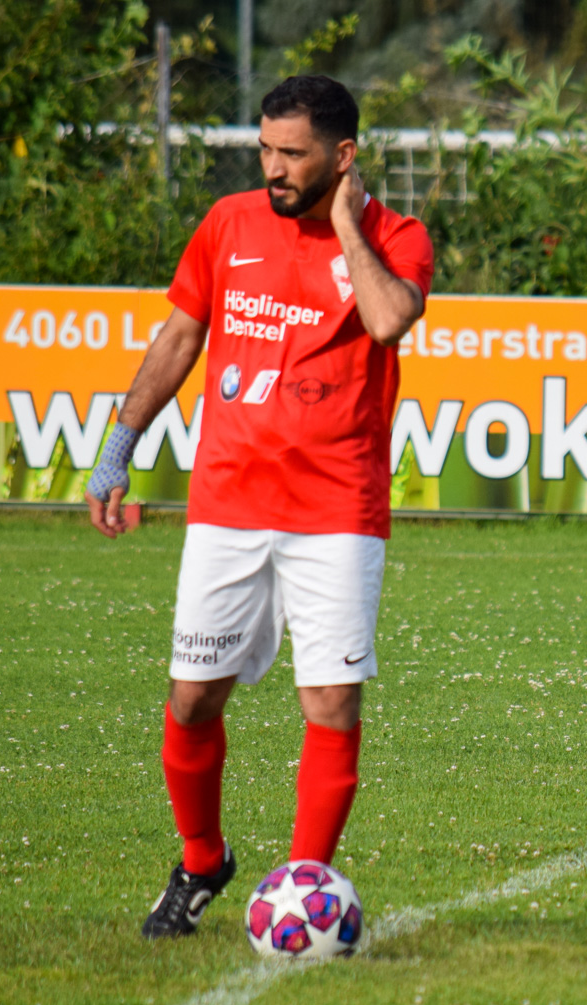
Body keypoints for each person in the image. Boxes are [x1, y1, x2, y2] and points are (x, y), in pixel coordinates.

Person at [83, 75, 434, 938]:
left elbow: (389, 319)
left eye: (292, 154)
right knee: (192, 699)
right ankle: (202, 860)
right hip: (229, 502)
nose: (272, 168)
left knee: (331, 706)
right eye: (265, 150)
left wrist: (346, 226)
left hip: (337, 510)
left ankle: (304, 892)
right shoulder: (229, 222)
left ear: (343, 156)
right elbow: (180, 335)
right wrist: (118, 448)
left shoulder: (396, 236)